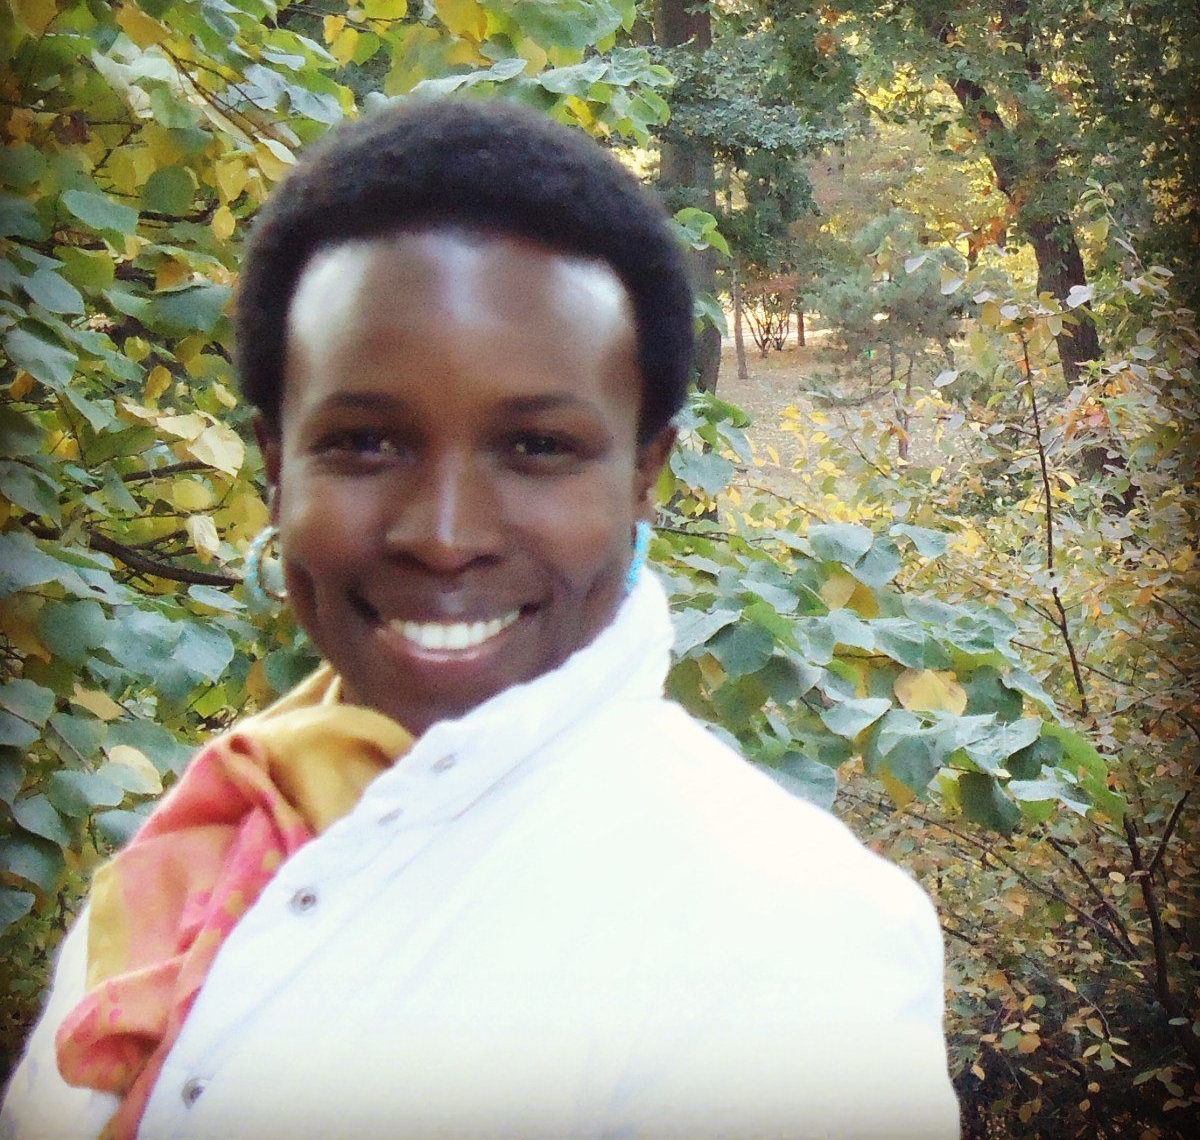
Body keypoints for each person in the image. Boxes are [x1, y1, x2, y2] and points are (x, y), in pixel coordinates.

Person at [2, 97, 961, 1140]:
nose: (445, 536)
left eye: (537, 448)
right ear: (277, 467)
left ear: (645, 475)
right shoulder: (214, 838)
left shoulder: (788, 943)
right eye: (365, 443)